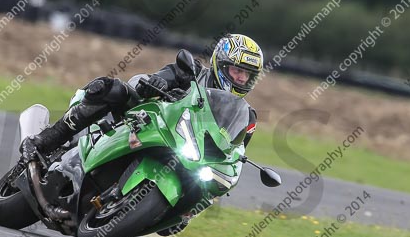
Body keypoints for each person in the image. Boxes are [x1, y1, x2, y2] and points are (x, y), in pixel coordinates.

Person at [20, 33, 263, 161]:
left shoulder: (246, 117)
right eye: (237, 71)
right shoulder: (192, 72)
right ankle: (46, 139)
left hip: (183, 152)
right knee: (110, 89)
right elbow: (142, 82)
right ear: (220, 64)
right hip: (145, 122)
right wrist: (154, 84)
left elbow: (232, 156)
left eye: (247, 75)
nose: (241, 79)